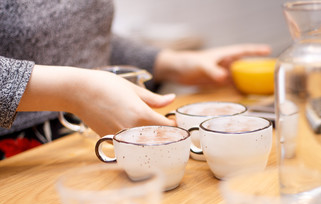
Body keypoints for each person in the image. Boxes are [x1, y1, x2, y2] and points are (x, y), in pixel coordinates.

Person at [0, 0, 271, 158]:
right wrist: (76, 90)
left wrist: (167, 62)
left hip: (82, 139)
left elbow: (77, 37)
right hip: (18, 151)